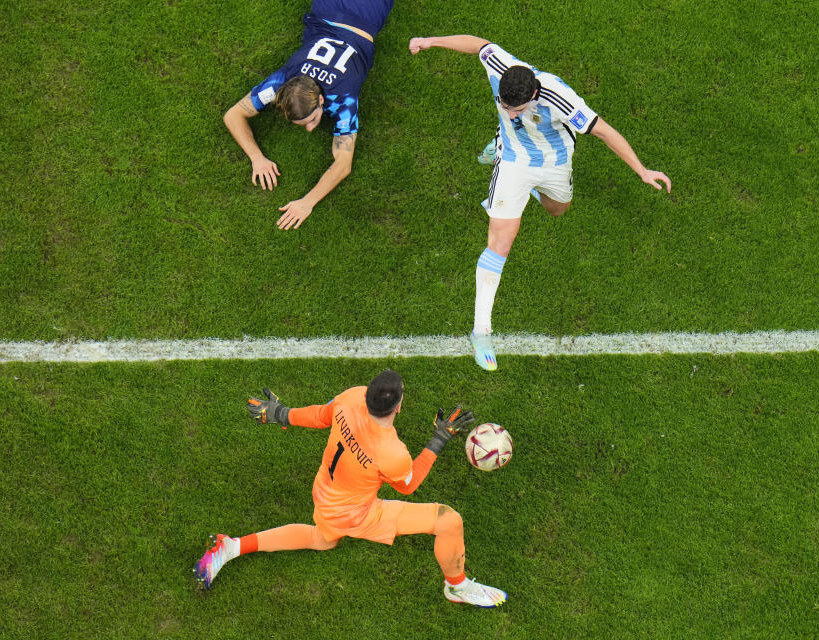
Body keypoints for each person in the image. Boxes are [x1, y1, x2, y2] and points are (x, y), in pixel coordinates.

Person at [408, 35, 672, 371]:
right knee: (501, 241)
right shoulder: (503, 68)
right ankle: (481, 331)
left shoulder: (562, 100)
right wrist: (429, 42)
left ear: (532, 95)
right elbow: (478, 44)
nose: (504, 109)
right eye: (502, 104)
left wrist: (642, 170)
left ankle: (508, 160)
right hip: (515, 162)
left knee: (557, 209)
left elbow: (604, 131)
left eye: (512, 108)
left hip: (553, 163)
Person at [192, 370, 508, 608]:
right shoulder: (392, 453)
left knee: (323, 539)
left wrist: (279, 413)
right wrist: (440, 437)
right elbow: (409, 485)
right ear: (398, 406)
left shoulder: (351, 397)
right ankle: (456, 587)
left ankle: (231, 547)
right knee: (448, 520)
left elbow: (319, 415)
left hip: (326, 489)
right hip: (352, 513)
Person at [223, 0, 395, 230]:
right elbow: (233, 115)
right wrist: (257, 158)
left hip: (367, 14)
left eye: (312, 119)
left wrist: (308, 202)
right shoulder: (282, 82)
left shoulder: (344, 99)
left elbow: (344, 164)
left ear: (321, 100)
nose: (311, 128)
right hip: (329, 10)